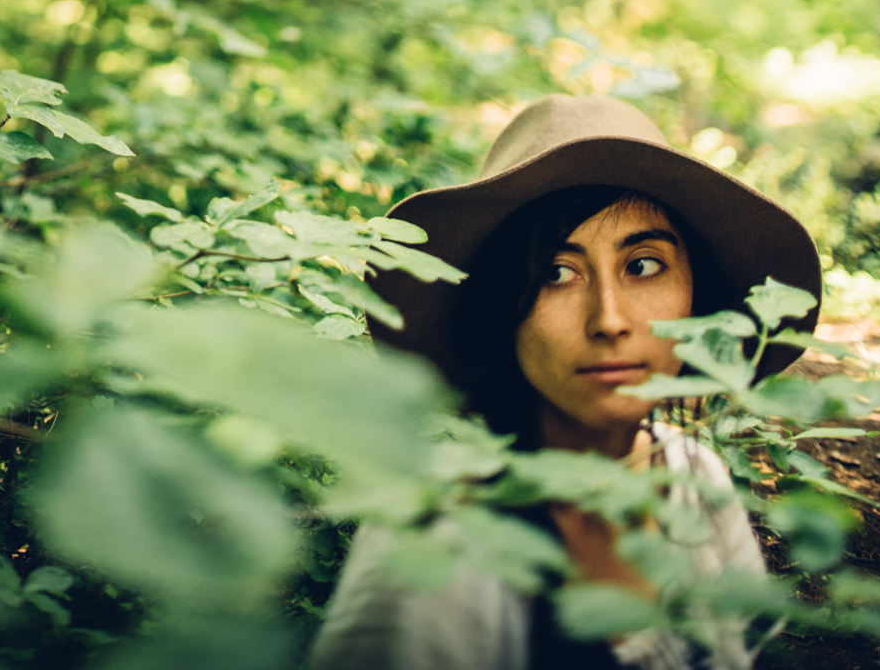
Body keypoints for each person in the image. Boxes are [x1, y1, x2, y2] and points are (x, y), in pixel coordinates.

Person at [308, 94, 823, 670]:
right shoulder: (438, 537)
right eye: (557, 273)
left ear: (696, 296)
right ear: (502, 308)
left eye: (644, 264)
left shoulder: (695, 478)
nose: (609, 320)